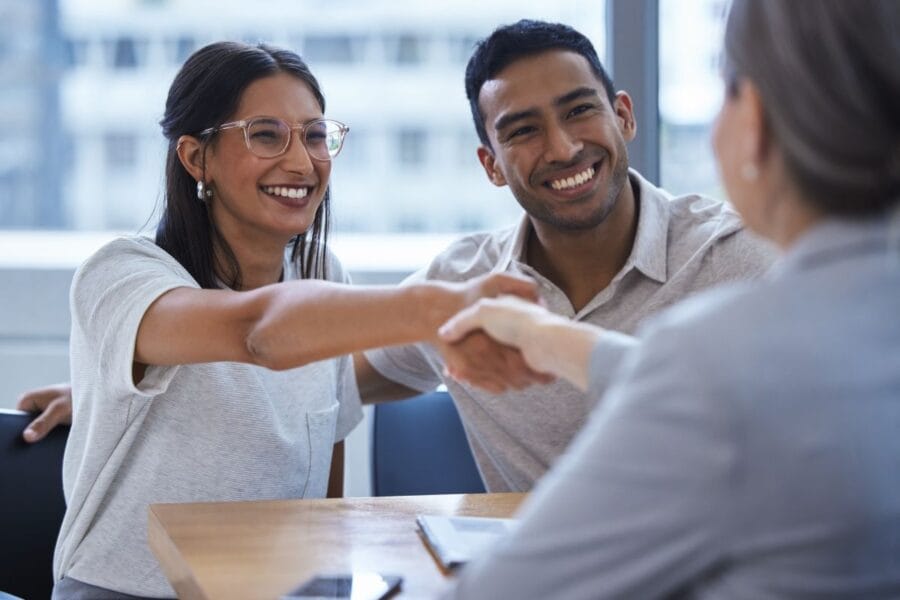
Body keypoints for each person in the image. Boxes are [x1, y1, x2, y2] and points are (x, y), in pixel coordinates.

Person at [19, 20, 778, 493]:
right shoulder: (461, 283)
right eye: (521, 131)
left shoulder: (745, 261)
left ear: (623, 117)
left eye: (580, 113)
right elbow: (270, 344)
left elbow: (305, 373)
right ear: (490, 163)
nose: (561, 148)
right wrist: (128, 379)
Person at [437, 1, 900, 597]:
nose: (561, 147)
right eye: (524, 129)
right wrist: (546, 337)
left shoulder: (714, 347)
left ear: (752, 120)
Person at [50, 41, 535, 599]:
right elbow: (256, 334)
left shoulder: (322, 274)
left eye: (312, 135)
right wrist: (435, 307)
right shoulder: (121, 273)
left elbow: (322, 482)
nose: (303, 163)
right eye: (265, 135)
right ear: (195, 157)